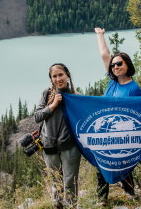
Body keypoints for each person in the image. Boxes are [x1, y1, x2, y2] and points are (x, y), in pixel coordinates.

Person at [94, 27, 141, 203]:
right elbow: (104, 55)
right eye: (113, 65)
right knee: (101, 165)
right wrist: (100, 35)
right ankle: (102, 199)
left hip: (123, 134)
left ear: (127, 65)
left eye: (119, 64)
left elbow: (138, 115)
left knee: (124, 165)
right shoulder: (112, 81)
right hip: (106, 132)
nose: (115, 67)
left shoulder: (134, 89)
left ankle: (130, 194)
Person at [34, 63, 82, 209]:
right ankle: (59, 205)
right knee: (56, 182)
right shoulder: (47, 94)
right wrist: (53, 105)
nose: (58, 79)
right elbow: (37, 116)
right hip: (49, 146)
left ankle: (71, 206)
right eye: (54, 76)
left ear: (67, 75)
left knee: (70, 181)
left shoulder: (76, 97)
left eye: (60, 75)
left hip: (70, 146)